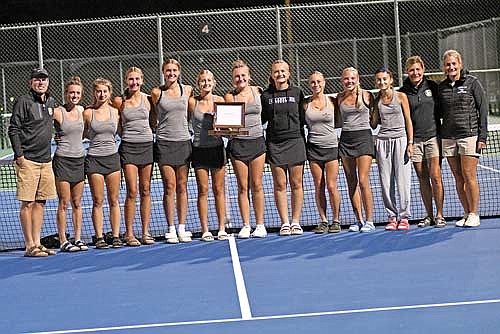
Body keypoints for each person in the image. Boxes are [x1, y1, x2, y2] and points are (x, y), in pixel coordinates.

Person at [8, 67, 57, 257]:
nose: (40, 82)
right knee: (27, 203)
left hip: (46, 161)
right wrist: (19, 156)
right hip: (27, 160)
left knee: (40, 202)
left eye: (44, 79)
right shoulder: (23, 101)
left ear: (48, 82)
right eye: (37, 79)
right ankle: (29, 245)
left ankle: (37, 243)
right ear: (31, 83)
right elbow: (13, 129)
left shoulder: (51, 101)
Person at [438, 49, 488, 228]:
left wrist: (482, 136)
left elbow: (482, 110)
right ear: (444, 67)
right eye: (447, 64)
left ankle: (475, 213)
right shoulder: (441, 88)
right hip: (448, 138)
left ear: (460, 64)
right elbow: (437, 114)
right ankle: (466, 213)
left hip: (469, 136)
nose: (451, 67)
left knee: (469, 175)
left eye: (454, 63)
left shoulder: (472, 82)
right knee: (458, 178)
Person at [399, 56, 445, 228]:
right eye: (412, 70)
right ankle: (429, 215)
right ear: (407, 72)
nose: (415, 73)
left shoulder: (433, 87)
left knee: (436, 176)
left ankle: (440, 215)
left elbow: (441, 110)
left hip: (433, 137)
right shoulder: (403, 91)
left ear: (423, 69)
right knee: (422, 178)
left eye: (418, 69)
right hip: (415, 140)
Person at [261, 60, 306, 236]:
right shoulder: (265, 96)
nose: (280, 74)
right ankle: (285, 223)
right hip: (275, 144)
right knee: (280, 184)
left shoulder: (298, 92)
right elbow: (262, 119)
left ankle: (295, 222)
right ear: (272, 75)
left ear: (289, 73)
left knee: (296, 184)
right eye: (276, 71)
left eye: (283, 71)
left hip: (295, 141)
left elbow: (302, 118)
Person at [151, 59, 193, 243]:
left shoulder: (188, 90)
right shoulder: (156, 92)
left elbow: (190, 114)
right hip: (164, 144)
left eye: (174, 70)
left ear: (179, 71)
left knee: (182, 186)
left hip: (183, 143)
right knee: (169, 185)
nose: (171, 73)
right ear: (163, 72)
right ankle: (170, 228)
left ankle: (182, 227)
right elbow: (153, 114)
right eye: (168, 70)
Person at [224, 60, 267, 239]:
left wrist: (254, 130)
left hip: (257, 143)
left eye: (243, 75)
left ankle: (260, 225)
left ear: (249, 76)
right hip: (238, 145)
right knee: (243, 187)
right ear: (233, 79)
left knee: (257, 185)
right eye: (237, 76)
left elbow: (265, 115)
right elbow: (228, 125)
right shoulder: (229, 97)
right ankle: (246, 225)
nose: (240, 78)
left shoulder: (258, 92)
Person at [113, 67, 155, 246]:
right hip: (128, 148)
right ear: (126, 81)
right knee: (132, 191)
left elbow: (153, 122)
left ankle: (145, 233)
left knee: (145, 190)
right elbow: (117, 124)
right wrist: (127, 136)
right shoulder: (119, 101)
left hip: (147, 147)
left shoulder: (148, 100)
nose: (134, 82)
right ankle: (129, 234)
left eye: (137, 79)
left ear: (142, 80)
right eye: (131, 79)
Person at [189, 70, 228, 241]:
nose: (206, 83)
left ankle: (221, 228)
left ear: (214, 82)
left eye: (209, 80)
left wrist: (224, 130)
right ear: (198, 84)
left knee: (219, 190)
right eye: (203, 81)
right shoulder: (192, 102)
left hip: (217, 149)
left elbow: (228, 128)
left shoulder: (221, 101)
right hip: (199, 149)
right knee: (202, 190)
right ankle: (205, 229)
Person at [83, 78, 122, 249]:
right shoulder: (88, 113)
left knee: (114, 200)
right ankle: (99, 237)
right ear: (94, 93)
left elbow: (121, 131)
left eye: (105, 91)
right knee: (97, 200)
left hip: (112, 158)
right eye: (98, 91)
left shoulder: (115, 112)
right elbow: (81, 132)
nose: (102, 94)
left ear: (109, 92)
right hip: (94, 159)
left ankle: (115, 236)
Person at [373, 67, 413, 231]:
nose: (382, 82)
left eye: (385, 79)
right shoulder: (376, 100)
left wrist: (410, 143)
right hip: (382, 142)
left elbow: (408, 121)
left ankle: (403, 217)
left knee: (403, 181)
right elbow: (374, 124)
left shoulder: (401, 97)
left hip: (401, 140)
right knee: (385, 181)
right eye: (379, 80)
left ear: (391, 80)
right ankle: (392, 215)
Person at [337, 67, 375, 233]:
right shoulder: (339, 98)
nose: (349, 81)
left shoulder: (367, 96)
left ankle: (370, 220)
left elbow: (375, 119)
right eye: (346, 79)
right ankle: (358, 219)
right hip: (346, 140)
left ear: (358, 79)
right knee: (351, 182)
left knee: (363, 180)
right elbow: (337, 121)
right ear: (342, 81)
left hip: (364, 139)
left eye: (352, 78)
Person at [53, 76, 88, 252]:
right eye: (71, 92)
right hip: (63, 161)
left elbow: (89, 129)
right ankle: (63, 240)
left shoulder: (83, 111)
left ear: (81, 95)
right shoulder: (58, 112)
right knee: (64, 202)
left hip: (80, 160)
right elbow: (42, 125)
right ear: (66, 94)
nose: (74, 95)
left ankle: (78, 238)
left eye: (77, 93)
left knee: (77, 202)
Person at [305, 71, 342, 234]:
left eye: (319, 81)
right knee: (318, 186)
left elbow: (339, 121)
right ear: (309, 85)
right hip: (314, 149)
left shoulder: (333, 101)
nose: (316, 85)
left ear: (324, 82)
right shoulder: (305, 104)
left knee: (332, 185)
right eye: (313, 82)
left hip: (331, 148)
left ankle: (336, 220)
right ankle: (324, 220)